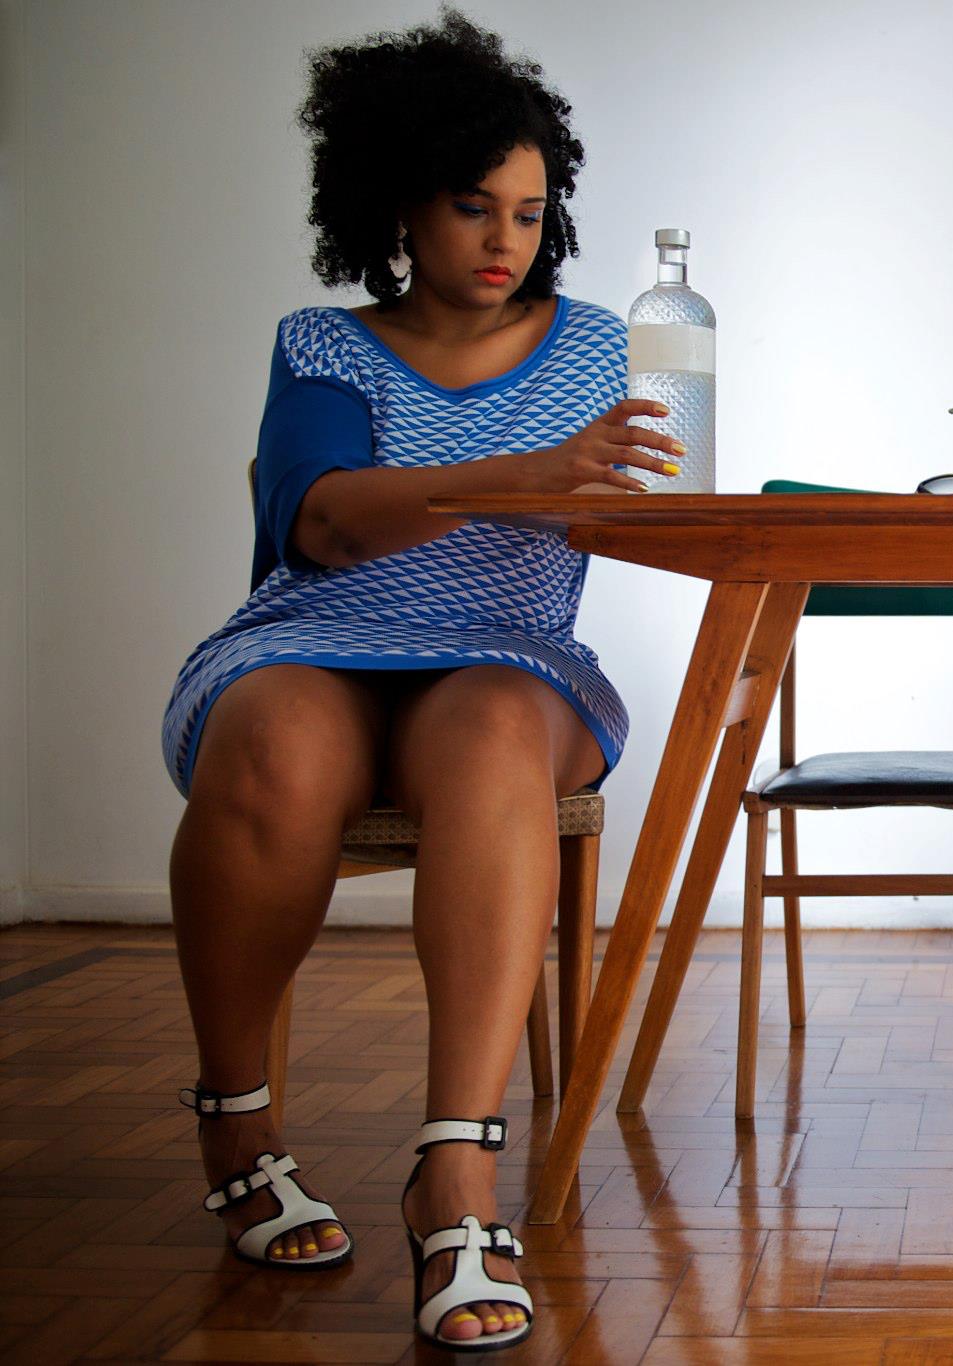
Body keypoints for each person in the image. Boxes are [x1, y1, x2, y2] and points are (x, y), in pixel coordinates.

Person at [158, 9, 673, 1351]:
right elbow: (319, 520)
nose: (506, 240)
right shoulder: (324, 345)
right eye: (471, 206)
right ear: (398, 203)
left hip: (508, 656)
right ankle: (238, 1124)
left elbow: (653, 499)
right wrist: (520, 475)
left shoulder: (599, 345)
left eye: (529, 212)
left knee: (495, 726)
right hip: (316, 638)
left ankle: (455, 1177)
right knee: (272, 738)